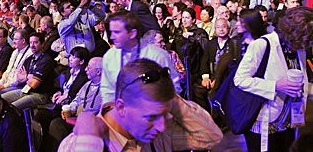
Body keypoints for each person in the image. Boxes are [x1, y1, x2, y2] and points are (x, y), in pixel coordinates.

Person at [58, 59, 223, 151]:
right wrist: (90, 141)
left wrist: (168, 98)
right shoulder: (75, 145)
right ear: (121, 107)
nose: (162, 126)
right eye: (151, 117)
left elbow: (211, 136)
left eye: (165, 114)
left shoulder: (157, 136)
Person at [234, 7, 313, 152]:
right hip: (264, 120)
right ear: (295, 33)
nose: (309, 44)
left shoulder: (298, 47)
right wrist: (275, 85)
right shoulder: (262, 44)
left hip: (290, 120)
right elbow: (240, 79)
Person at [101, 11, 181, 105]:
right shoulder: (109, 56)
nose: (112, 37)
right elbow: (107, 90)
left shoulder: (157, 55)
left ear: (132, 33)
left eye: (117, 32)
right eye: (111, 32)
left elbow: (173, 87)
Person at [2, 32, 54, 110]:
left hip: (39, 95)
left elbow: (34, 84)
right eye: (30, 42)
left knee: (12, 107)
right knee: (0, 99)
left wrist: (25, 77)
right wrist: (29, 77)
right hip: (25, 90)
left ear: (42, 44)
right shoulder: (29, 59)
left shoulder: (46, 60)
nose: (32, 45)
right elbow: (18, 77)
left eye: (35, 42)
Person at [0, 29, 33, 93]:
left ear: (23, 41)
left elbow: (19, 78)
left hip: (18, 86)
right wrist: (0, 83)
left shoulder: (29, 54)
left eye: (16, 39)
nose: (13, 41)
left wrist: (5, 86)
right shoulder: (15, 52)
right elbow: (8, 70)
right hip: (8, 83)